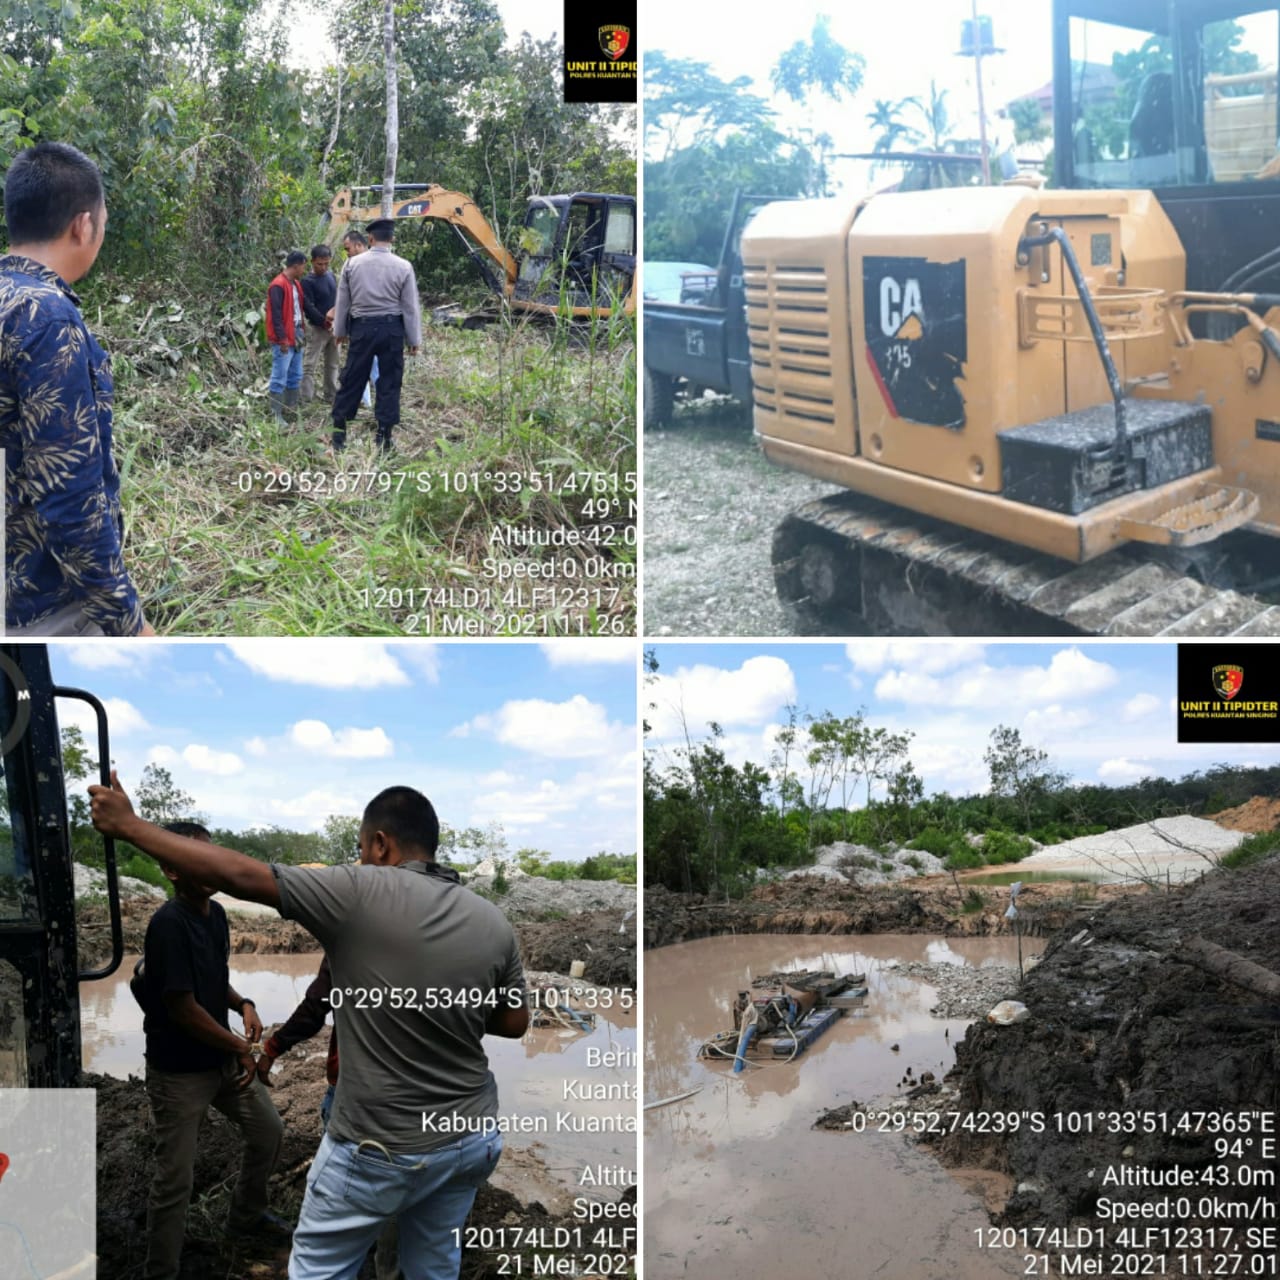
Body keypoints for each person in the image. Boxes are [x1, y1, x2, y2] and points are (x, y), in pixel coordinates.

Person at [90, 777, 529, 1280]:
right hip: (471, 1137)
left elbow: (242, 874)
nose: (361, 859)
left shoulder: (360, 892)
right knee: (432, 1264)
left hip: (380, 1145)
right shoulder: (493, 920)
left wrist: (129, 826)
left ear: (380, 844)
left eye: (363, 849)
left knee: (320, 1269)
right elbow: (515, 1023)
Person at [0, 141, 154, 636]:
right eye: (102, 225)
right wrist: (128, 623)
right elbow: (69, 498)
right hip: (44, 599)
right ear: (83, 225)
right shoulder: (48, 319)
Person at [134, 820, 287, 1280]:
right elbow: (181, 1007)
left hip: (220, 1059)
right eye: (196, 859)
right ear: (171, 869)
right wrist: (241, 1047)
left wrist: (243, 1002)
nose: (211, 868)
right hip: (180, 1072)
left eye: (212, 857)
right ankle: (161, 1270)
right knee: (174, 1180)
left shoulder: (215, 916)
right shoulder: (167, 924)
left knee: (269, 1132)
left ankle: (245, 1218)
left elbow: (211, 980)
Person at [257, 956, 402, 1280]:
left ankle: (328, 1259)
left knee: (338, 1191)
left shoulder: (351, 934)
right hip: (417, 1094)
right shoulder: (444, 934)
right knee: (400, 1191)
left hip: (354, 1090)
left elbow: (314, 1010)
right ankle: (387, 1267)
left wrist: (272, 1048)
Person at [331, 218, 421, 453]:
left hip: (362, 329)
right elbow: (410, 306)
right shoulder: (404, 266)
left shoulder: (352, 265)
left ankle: (339, 436)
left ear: (370, 239)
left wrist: (339, 330)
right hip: (391, 330)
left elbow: (343, 301)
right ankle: (384, 437)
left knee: (352, 379)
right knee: (389, 382)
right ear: (391, 239)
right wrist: (413, 339)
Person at [338, 230, 379, 411]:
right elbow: (344, 296)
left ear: (359, 245)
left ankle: (378, 400)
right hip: (358, 322)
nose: (347, 252)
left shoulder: (378, 263)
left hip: (376, 322)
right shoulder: (349, 265)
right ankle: (365, 401)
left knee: (375, 363)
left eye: (348, 248)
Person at [266, 250, 307, 422]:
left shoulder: (295, 284)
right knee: (279, 375)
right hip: (284, 336)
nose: (304, 270)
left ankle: (291, 408)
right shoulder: (278, 285)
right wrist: (282, 339)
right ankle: (275, 414)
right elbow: (275, 314)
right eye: (303, 267)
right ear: (296, 266)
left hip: (296, 332)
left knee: (296, 374)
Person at [300, 244, 338, 406]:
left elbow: (337, 299)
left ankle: (331, 395)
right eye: (319, 264)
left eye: (326, 263)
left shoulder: (330, 276)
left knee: (333, 363)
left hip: (334, 327)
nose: (323, 267)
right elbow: (308, 307)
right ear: (312, 262)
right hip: (317, 329)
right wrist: (324, 322)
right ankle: (306, 398)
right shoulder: (307, 282)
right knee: (310, 364)